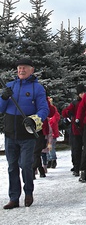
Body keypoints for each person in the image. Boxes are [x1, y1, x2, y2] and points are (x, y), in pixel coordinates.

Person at [0, 58, 49, 209]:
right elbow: (0, 109)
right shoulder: (9, 86)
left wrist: (34, 120)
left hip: (27, 134)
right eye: (19, 68)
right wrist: (3, 97)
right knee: (12, 167)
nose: (21, 70)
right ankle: (14, 198)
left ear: (31, 70)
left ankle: (28, 192)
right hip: (10, 133)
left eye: (25, 68)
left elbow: (44, 109)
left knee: (26, 165)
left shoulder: (37, 88)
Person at [62, 85, 86, 176]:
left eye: (84, 93)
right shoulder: (75, 103)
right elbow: (65, 111)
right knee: (76, 150)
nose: (82, 95)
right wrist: (69, 113)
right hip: (76, 129)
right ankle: (76, 168)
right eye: (81, 93)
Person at [47, 99, 60, 169]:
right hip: (47, 134)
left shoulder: (54, 110)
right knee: (47, 147)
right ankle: (49, 160)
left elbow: (55, 120)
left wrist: (49, 122)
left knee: (51, 147)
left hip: (52, 134)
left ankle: (53, 159)